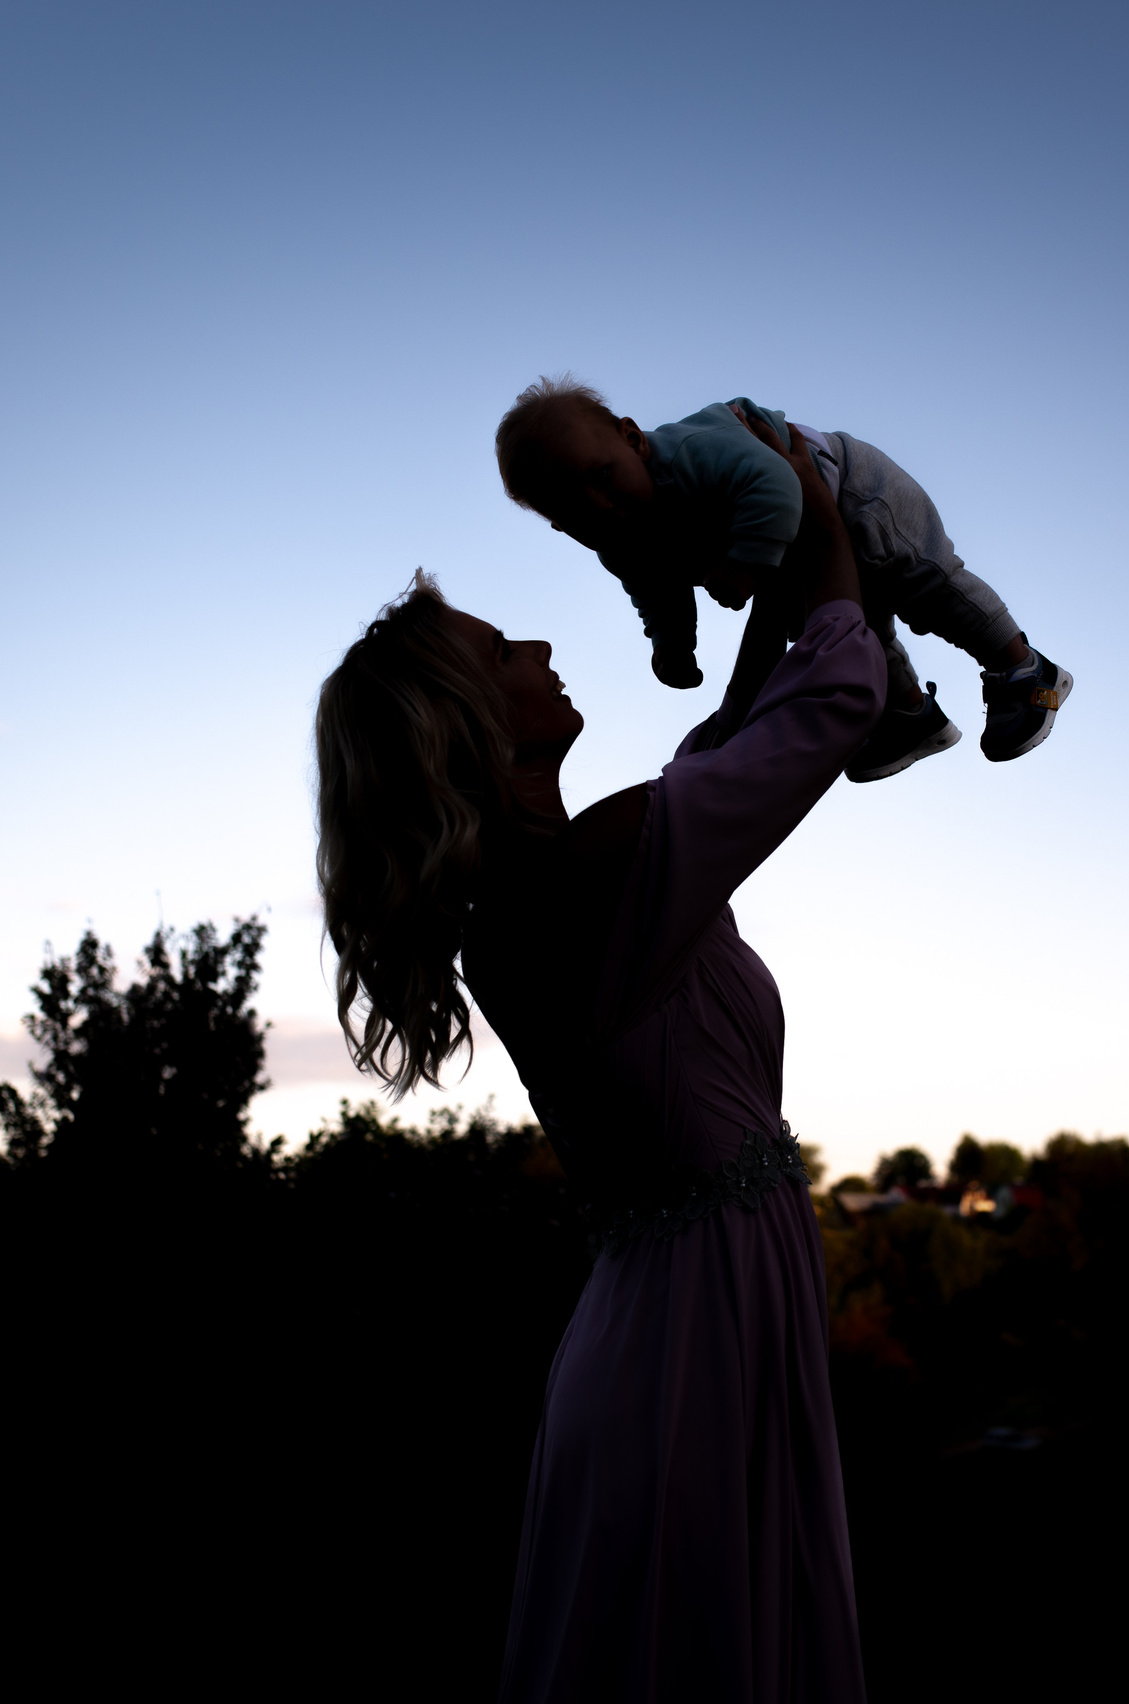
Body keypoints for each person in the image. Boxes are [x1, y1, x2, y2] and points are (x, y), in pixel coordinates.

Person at [315, 423, 876, 1701]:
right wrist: (832, 540)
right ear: (470, 723)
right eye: (502, 650)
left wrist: (779, 561)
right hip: (685, 1351)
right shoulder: (571, 889)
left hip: (693, 1321)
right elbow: (828, 709)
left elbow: (731, 737)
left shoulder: (571, 880)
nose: (543, 646)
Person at [494, 377, 1074, 782]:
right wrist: (672, 646)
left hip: (850, 488)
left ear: (633, 439)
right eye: (574, 510)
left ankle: (1021, 666)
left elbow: (773, 483)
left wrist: (745, 563)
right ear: (558, 527)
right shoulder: (622, 545)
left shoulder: (692, 452)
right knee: (841, 623)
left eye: (602, 476)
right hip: (795, 550)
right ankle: (905, 719)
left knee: (920, 578)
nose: (603, 506)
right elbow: (656, 594)